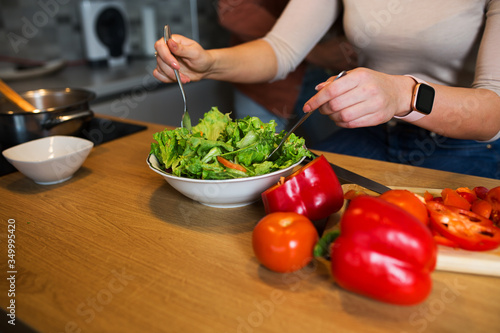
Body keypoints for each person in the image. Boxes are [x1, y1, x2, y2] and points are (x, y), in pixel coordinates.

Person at [153, 0, 500, 179]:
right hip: (371, 135)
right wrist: (209, 63)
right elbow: (281, 49)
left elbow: (492, 110)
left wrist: (401, 95)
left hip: (469, 149)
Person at [217, 0, 356, 145]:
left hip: (328, 76)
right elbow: (234, 10)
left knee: (335, 153)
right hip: (263, 82)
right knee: (254, 152)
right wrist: (313, 52)